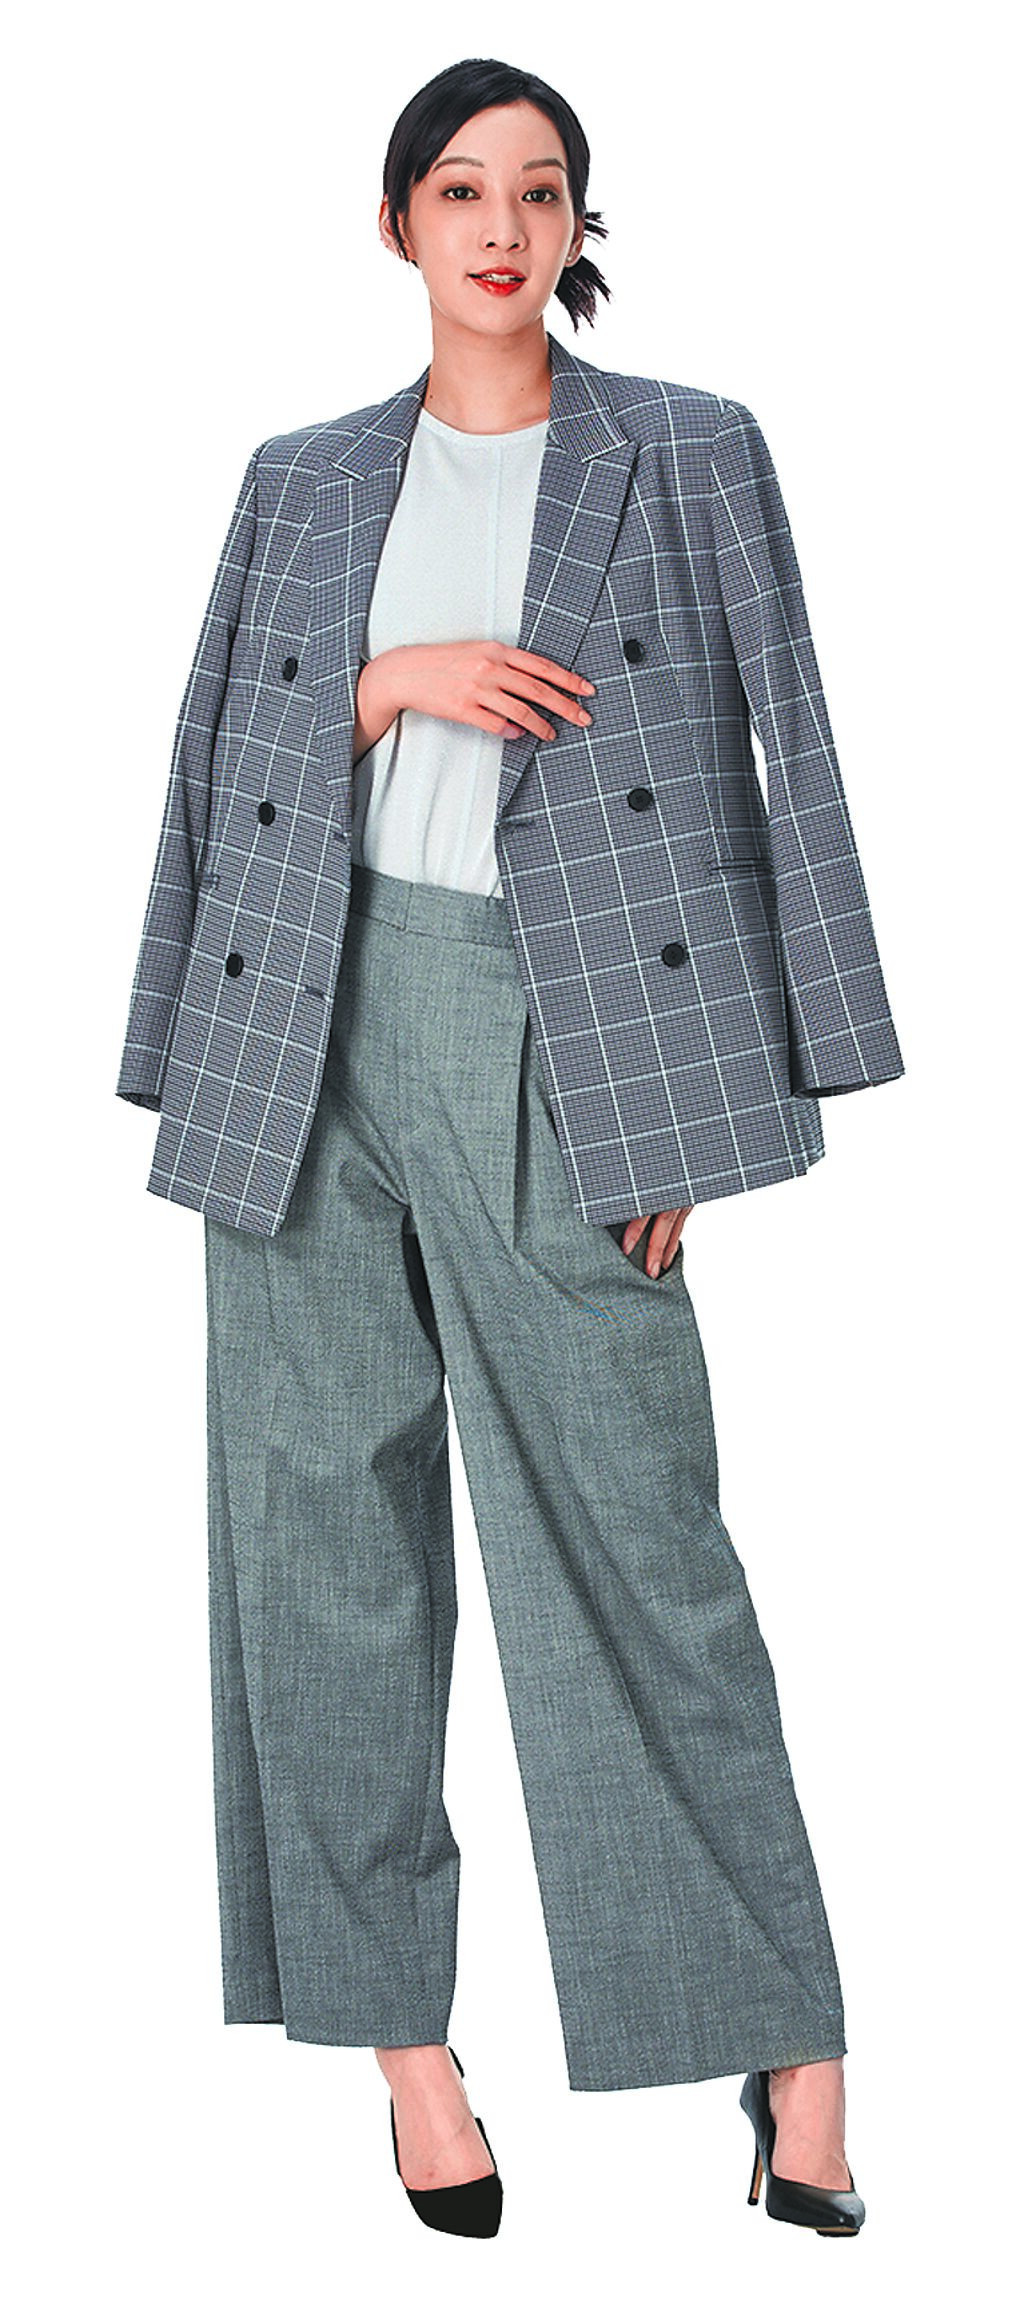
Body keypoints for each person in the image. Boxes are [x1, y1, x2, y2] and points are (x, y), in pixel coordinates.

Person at [116, 56, 902, 2241]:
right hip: (299, 1018)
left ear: (575, 226)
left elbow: (788, 755)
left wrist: (723, 1105)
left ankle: (792, 2042)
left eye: (538, 191)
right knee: (321, 1553)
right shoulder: (298, 479)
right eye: (458, 190)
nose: (499, 226)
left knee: (639, 1549)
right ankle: (405, 2052)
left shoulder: (689, 449)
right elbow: (211, 758)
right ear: (398, 224)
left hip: (565, 1033)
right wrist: (387, 683)